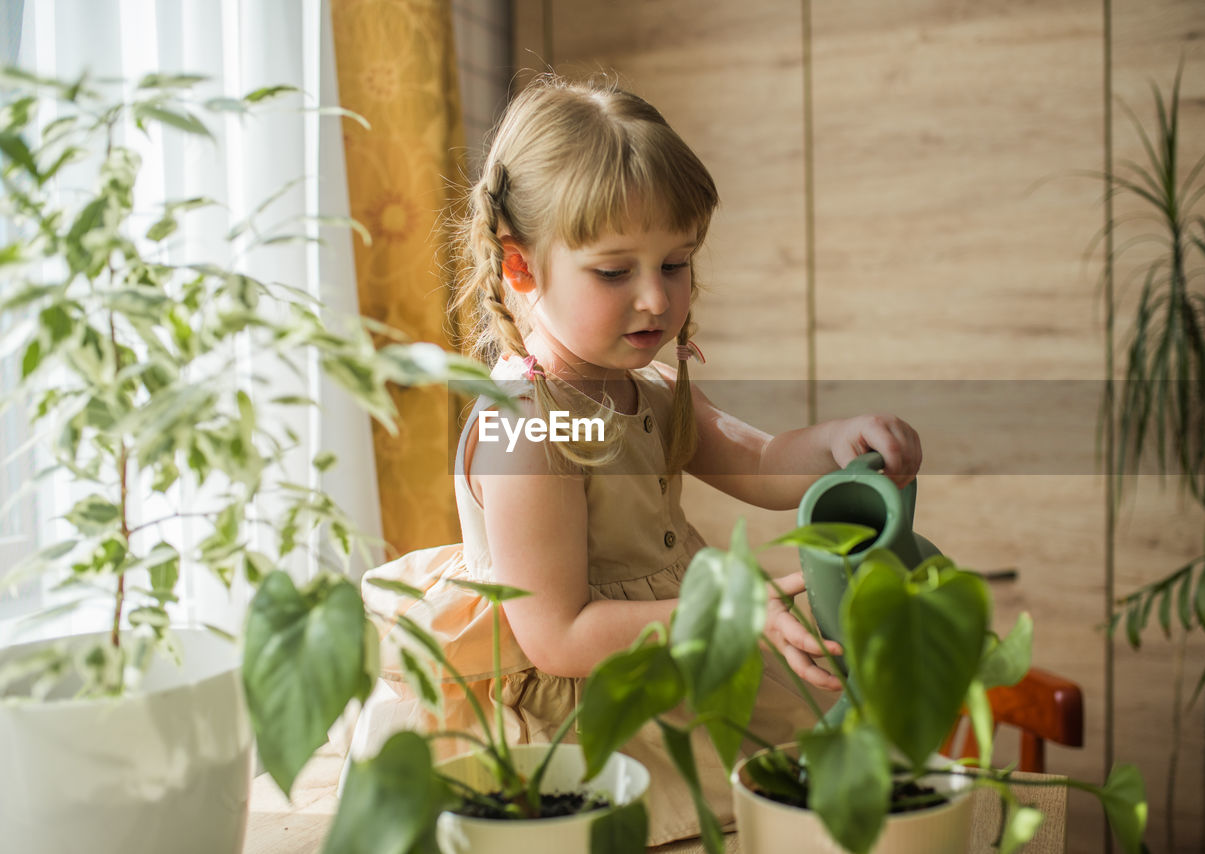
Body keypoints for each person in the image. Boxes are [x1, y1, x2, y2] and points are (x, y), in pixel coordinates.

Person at [350, 73, 922, 844]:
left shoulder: (645, 389)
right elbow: (558, 634)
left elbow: (760, 462)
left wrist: (839, 443)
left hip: (667, 656)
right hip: (577, 708)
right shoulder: (525, 429)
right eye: (616, 272)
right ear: (520, 268)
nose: (655, 299)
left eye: (676, 264)